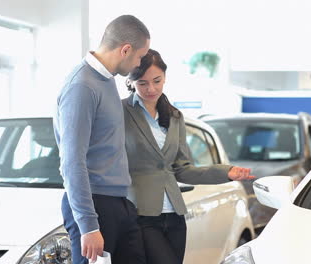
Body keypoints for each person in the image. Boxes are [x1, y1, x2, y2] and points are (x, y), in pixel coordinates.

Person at [123, 49, 255, 264]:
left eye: (157, 81)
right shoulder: (120, 112)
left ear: (165, 77)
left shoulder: (174, 116)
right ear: (131, 82)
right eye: (142, 83)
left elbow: (182, 169)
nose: (151, 89)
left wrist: (226, 172)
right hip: (141, 214)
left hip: (175, 216)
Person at [53, 15, 150, 264]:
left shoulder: (106, 81)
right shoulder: (82, 86)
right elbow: (72, 161)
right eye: (139, 57)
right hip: (95, 206)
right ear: (125, 49)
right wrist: (88, 225)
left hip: (118, 202)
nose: (139, 64)